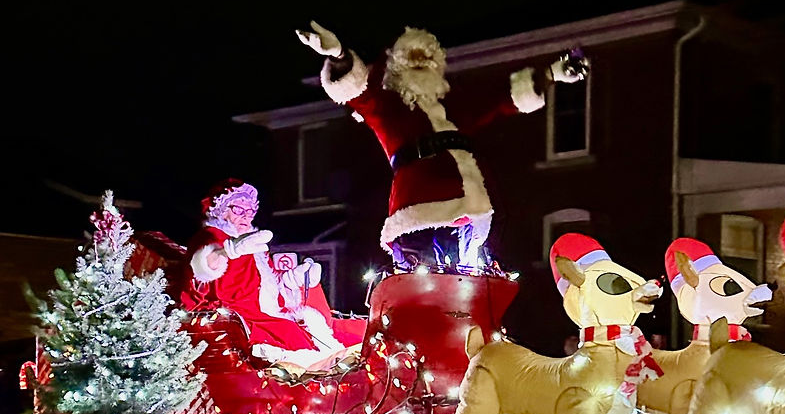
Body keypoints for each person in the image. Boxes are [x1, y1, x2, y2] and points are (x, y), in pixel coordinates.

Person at [297, 22, 589, 272]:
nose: (421, 66)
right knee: (422, 284)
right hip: (416, 211)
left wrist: (552, 73)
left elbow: (500, 98)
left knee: (466, 284)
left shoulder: (455, 106)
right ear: (397, 67)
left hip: (467, 208)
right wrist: (338, 54)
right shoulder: (386, 106)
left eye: (427, 60)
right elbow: (357, 93)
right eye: (413, 60)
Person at [180, 179, 346, 370]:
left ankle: (332, 363)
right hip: (239, 314)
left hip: (266, 310)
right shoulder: (211, 235)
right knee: (290, 336)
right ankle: (314, 374)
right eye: (238, 210)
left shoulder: (253, 240)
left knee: (312, 321)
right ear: (222, 209)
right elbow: (198, 271)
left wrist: (292, 279)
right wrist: (227, 252)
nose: (246, 216)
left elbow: (266, 281)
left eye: (250, 211)